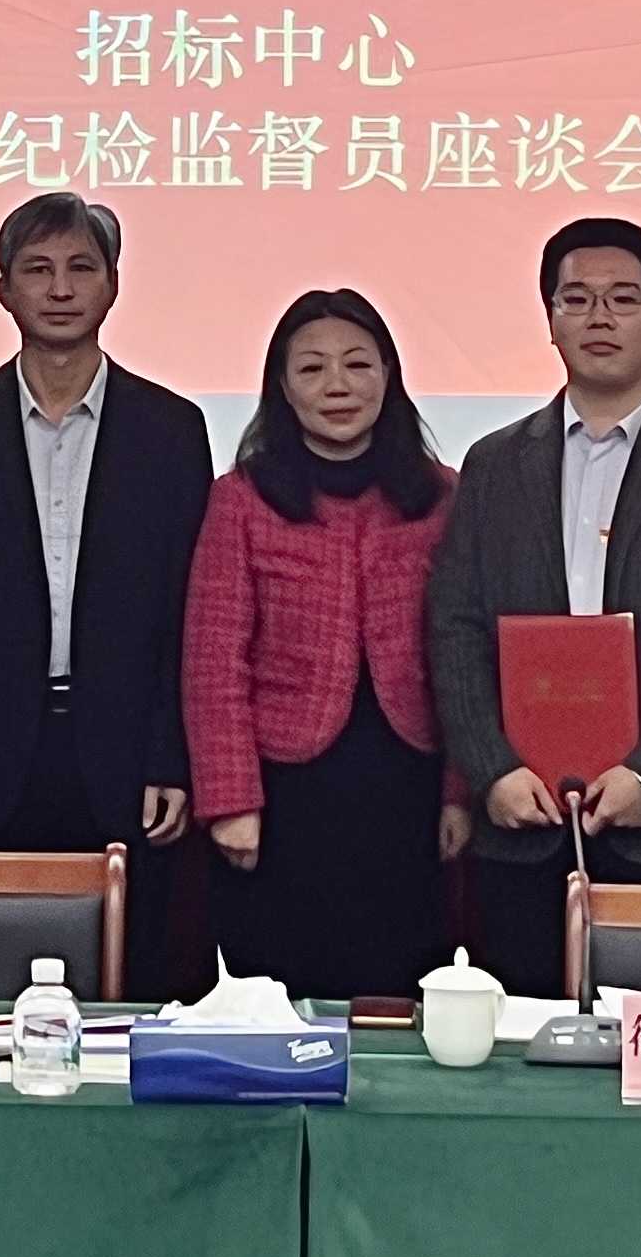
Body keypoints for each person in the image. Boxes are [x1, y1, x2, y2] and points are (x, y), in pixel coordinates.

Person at [425, 217, 641, 1000]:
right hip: (523, 821)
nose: (599, 317)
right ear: (550, 319)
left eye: (623, 298)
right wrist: (493, 771)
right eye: (577, 299)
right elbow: (454, 629)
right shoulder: (494, 463)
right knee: (524, 1046)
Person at [0, 193, 211, 993]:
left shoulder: (171, 428)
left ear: (113, 285)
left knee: (127, 989)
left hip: (127, 761)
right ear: (5, 289)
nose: (60, 288)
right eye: (37, 269)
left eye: (80, 268)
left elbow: (189, 613)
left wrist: (171, 756)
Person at [182, 289, 469, 1001]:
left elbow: (465, 657)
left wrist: (459, 794)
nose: (337, 385)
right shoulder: (242, 498)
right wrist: (230, 801)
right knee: (284, 994)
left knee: (398, 991)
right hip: (284, 793)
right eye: (311, 369)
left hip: (408, 784)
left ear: (388, 375)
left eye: (357, 365)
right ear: (282, 387)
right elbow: (214, 660)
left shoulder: (444, 496)